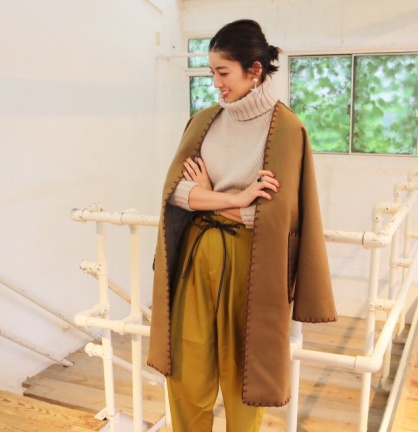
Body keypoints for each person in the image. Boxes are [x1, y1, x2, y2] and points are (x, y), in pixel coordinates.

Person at [148, 19, 337, 432]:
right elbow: (177, 194)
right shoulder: (203, 122)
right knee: (186, 369)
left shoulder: (287, 129)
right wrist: (235, 198)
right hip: (196, 260)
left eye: (223, 72)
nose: (216, 83)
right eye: (212, 72)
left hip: (252, 265)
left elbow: (272, 218)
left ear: (254, 70)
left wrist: (207, 197)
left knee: (245, 375)